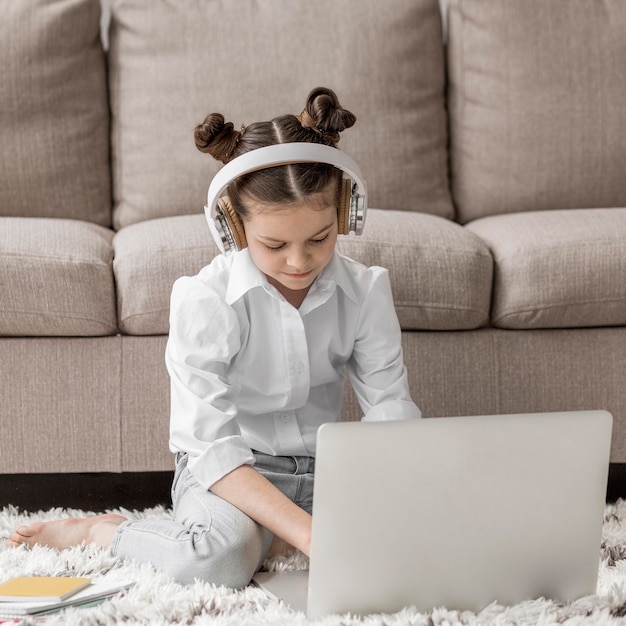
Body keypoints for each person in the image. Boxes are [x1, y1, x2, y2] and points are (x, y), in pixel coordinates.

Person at [7, 87, 421, 588]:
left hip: (328, 472)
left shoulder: (366, 289)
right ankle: (104, 532)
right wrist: (314, 536)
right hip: (231, 474)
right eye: (274, 244)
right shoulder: (206, 299)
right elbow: (210, 449)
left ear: (344, 214)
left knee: (439, 528)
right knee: (217, 559)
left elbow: (391, 415)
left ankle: (274, 534)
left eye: (320, 238)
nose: (299, 262)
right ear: (234, 228)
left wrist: (404, 497)